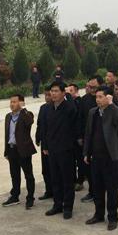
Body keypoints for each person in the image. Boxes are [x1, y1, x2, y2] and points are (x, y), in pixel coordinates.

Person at [83, 87, 118, 230]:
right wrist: (86, 152)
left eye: (101, 97)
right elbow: (88, 133)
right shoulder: (92, 112)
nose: (98, 99)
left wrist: (112, 105)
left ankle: (112, 217)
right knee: (97, 188)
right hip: (96, 157)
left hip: (111, 156)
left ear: (108, 98)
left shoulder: (115, 110)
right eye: (97, 97)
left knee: (111, 188)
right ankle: (98, 214)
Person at [43, 81, 79, 219]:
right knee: (55, 178)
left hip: (66, 149)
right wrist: (45, 146)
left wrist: (69, 96)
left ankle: (68, 207)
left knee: (67, 179)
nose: (53, 93)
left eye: (56, 91)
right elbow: (46, 129)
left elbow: (74, 119)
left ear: (63, 93)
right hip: (52, 149)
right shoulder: (48, 108)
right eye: (52, 91)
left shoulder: (68, 107)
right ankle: (57, 205)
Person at [2, 94, 36, 209]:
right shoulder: (8, 116)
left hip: (23, 150)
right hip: (12, 149)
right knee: (14, 175)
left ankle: (30, 198)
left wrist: (23, 108)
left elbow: (29, 122)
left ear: (21, 103)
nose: (12, 104)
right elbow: (7, 135)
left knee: (28, 175)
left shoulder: (27, 114)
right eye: (11, 102)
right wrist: (6, 151)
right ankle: (15, 196)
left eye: (15, 102)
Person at [78, 75, 104, 203]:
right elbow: (80, 118)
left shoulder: (107, 100)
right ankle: (92, 191)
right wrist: (80, 136)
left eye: (94, 87)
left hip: (102, 140)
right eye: (90, 87)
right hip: (88, 139)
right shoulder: (85, 99)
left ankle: (101, 191)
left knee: (101, 168)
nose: (92, 89)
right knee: (88, 166)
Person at [35, 86, 53, 200]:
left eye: (49, 95)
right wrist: (38, 137)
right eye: (45, 95)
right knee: (45, 169)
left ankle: (57, 191)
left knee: (54, 169)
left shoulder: (57, 108)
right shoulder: (43, 108)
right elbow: (39, 124)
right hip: (44, 143)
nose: (47, 97)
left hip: (54, 143)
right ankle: (48, 190)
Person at [66, 83, 84, 191]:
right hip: (68, 137)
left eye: (71, 91)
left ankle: (80, 180)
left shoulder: (79, 101)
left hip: (77, 136)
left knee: (79, 160)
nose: (68, 93)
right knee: (70, 160)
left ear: (76, 91)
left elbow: (79, 118)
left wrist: (79, 136)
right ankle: (72, 180)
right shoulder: (67, 102)